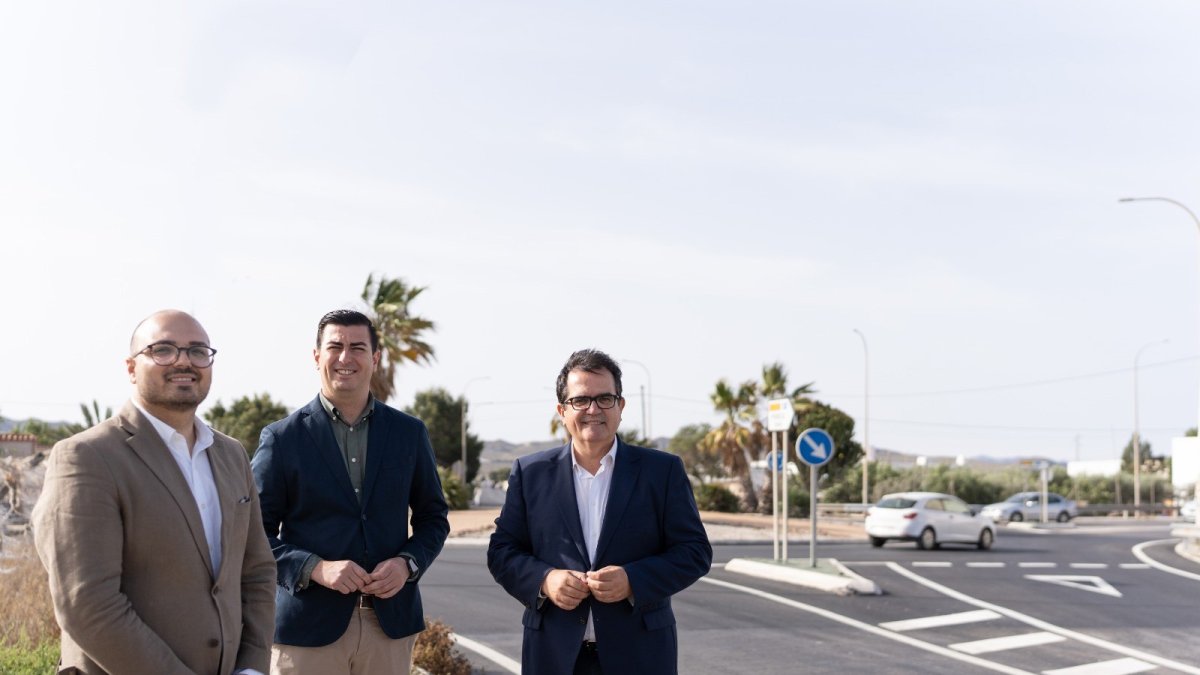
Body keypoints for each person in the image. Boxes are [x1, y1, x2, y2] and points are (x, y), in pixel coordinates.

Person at [32, 309, 276, 675]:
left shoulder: (231, 455)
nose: (183, 361)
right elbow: (87, 603)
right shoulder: (87, 456)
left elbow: (256, 573)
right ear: (131, 368)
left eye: (197, 351)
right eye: (163, 350)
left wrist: (252, 668)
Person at [488, 349, 713, 675]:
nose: (593, 409)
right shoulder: (530, 473)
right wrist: (546, 580)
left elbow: (694, 552)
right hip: (553, 654)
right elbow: (502, 552)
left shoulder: (662, 471)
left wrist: (633, 581)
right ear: (562, 411)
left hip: (641, 654)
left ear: (621, 407)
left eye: (605, 398)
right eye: (581, 400)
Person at [251, 309, 449, 675]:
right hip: (307, 631)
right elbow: (250, 533)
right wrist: (315, 568)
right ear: (316, 357)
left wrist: (407, 564)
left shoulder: (409, 433)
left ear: (374, 358)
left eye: (357, 347)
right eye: (335, 347)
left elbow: (433, 519)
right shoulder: (281, 439)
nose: (345, 357)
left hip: (389, 628)